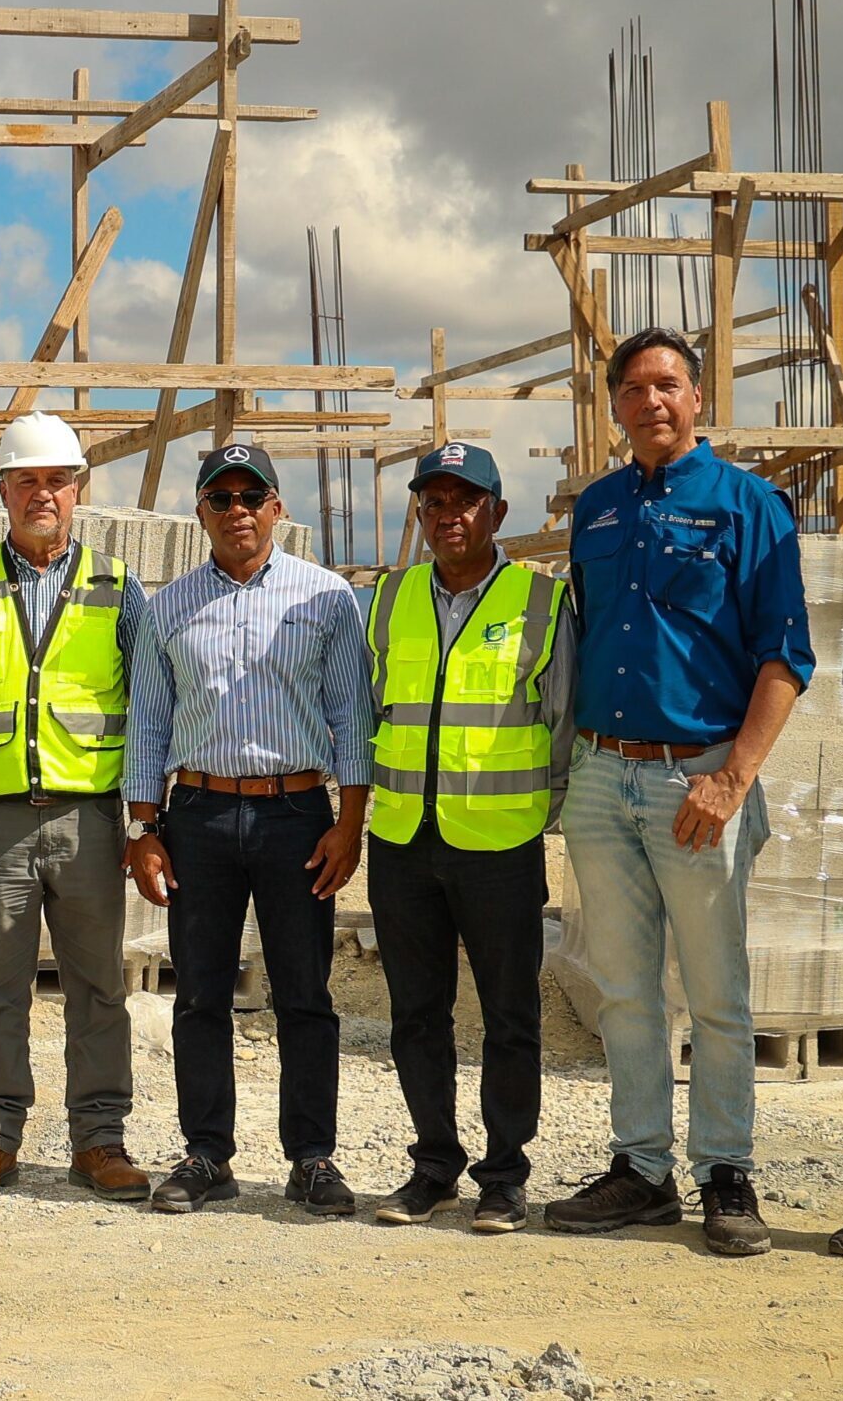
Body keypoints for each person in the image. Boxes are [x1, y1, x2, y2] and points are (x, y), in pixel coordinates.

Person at [547, 327, 809, 1258]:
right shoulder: (600, 508)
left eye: (668, 385)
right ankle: (641, 1170)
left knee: (715, 991)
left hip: (699, 784)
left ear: (696, 398)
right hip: (601, 777)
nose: (651, 401)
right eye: (633, 388)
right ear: (613, 405)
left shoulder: (748, 505)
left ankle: (726, 1176)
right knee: (624, 989)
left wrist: (731, 780)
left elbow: (786, 659)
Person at [125, 441, 373, 1218]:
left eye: (250, 496)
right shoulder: (169, 607)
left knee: (304, 993)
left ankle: (312, 1158)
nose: (237, 511)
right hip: (196, 815)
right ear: (200, 512)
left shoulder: (327, 598)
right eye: (220, 499)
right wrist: (144, 827)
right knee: (199, 994)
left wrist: (350, 825)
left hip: (296, 815)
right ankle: (207, 1154)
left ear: (277, 506)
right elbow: (148, 724)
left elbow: (351, 717)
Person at [0, 413, 156, 1205]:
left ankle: (100, 1141)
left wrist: (142, 825)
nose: (42, 494)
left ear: (78, 490)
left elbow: (147, 712)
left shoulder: (121, 590)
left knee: (98, 986)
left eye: (56, 480)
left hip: (89, 819)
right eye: (26, 481)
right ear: (3, 493)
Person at [363, 443, 575, 1236]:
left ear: (497, 512)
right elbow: (370, 712)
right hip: (405, 841)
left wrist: (534, 817)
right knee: (417, 1014)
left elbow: (563, 728)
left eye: (466, 501)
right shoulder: (388, 602)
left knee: (509, 1014)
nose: (449, 515)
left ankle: (505, 1175)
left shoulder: (541, 603)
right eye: (435, 502)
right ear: (420, 513)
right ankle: (432, 1167)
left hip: (501, 843)